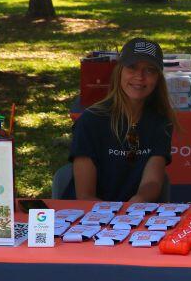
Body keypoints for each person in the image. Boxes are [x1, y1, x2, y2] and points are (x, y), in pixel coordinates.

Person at [69, 38, 176, 202]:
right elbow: (85, 195)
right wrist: (115, 217)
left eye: (149, 70)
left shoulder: (161, 122)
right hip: (88, 218)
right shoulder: (90, 121)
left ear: (158, 78)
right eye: (132, 67)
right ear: (119, 71)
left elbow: (152, 182)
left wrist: (137, 202)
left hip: (135, 216)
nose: (139, 76)